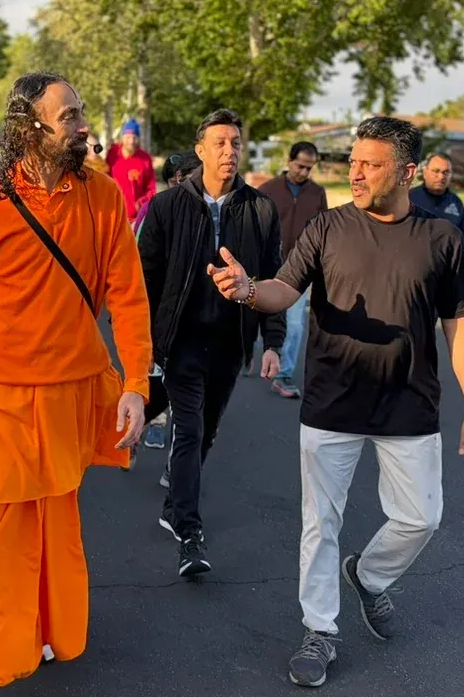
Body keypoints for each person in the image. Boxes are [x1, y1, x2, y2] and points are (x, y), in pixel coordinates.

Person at [208, 116, 464, 688]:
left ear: (407, 171)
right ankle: (320, 630)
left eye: (370, 164)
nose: (355, 173)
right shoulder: (328, 226)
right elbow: (285, 289)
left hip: (409, 402)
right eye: (353, 162)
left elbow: (458, 326)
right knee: (321, 523)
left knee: (421, 516)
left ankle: (370, 574)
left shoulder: (443, 238)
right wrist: (249, 290)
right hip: (332, 400)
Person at [0, 71, 152, 697]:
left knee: (56, 519)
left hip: (72, 390)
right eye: (70, 116)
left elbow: (128, 297)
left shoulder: (104, 196)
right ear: (29, 127)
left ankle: (49, 630)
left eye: (82, 113)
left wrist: (136, 382)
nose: (84, 126)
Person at [137, 108, 286, 577]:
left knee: (209, 429)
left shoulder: (261, 209)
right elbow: (144, 282)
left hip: (230, 343)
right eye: (219, 142)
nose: (229, 151)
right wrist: (143, 344)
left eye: (236, 143)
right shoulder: (167, 207)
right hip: (181, 342)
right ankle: (188, 529)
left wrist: (272, 342)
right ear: (199, 150)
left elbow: (273, 279)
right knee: (190, 429)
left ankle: (172, 502)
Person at [137, 148, 202, 455]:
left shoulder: (211, 213)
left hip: (195, 319)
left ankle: (176, 465)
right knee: (157, 378)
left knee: (189, 393)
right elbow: (138, 267)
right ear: (179, 179)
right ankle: (144, 425)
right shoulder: (153, 210)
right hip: (157, 313)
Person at [257, 141, 328, 399]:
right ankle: (251, 353)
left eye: (309, 168)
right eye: (300, 166)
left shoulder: (317, 194)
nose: (304, 172)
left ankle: (284, 374)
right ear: (289, 162)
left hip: (300, 270)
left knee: (295, 324)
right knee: (259, 317)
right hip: (266, 266)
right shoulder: (267, 191)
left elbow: (324, 231)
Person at [409, 150, 464, 272]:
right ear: (425, 172)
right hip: (414, 269)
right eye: (436, 171)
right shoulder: (410, 198)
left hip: (447, 272)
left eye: (446, 172)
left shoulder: (455, 202)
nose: (441, 176)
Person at [106, 118, 155, 220]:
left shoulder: (145, 159)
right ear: (122, 137)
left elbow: (151, 189)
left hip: (135, 218)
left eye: (134, 137)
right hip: (113, 214)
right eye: (128, 137)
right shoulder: (113, 154)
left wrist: (139, 205)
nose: (131, 141)